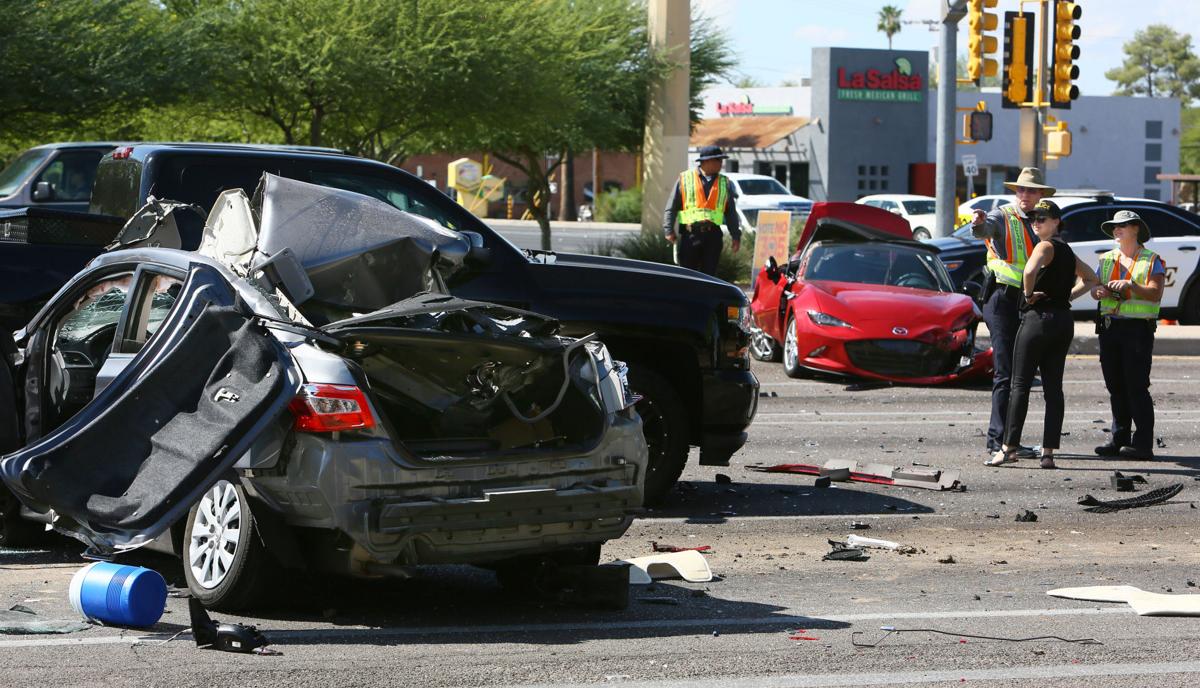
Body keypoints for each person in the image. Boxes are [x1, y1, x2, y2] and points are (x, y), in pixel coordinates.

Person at [988, 200, 1099, 469]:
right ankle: (1048, 453)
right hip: (1062, 320)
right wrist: (1065, 297)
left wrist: (1028, 295)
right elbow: (1091, 278)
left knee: (1019, 385)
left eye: (1043, 219)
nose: (1037, 223)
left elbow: (1029, 270)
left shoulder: (1044, 246)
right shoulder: (1068, 251)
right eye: (1035, 219)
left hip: (1038, 320)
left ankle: (1008, 448)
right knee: (1053, 388)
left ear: (1056, 222)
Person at [970, 167, 1054, 459]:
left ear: (1040, 194)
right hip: (1002, 299)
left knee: (1022, 374)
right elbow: (983, 228)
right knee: (1005, 372)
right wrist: (978, 223)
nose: (1025, 195)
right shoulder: (1001, 215)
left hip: (1029, 302)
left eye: (1031, 190)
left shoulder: (1041, 223)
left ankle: (1011, 440)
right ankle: (997, 441)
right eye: (1021, 190)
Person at [1090, 210, 1166, 460]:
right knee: (1116, 386)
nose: (1116, 230)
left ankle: (1143, 444)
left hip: (1137, 330)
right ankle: (1119, 438)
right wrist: (1098, 293)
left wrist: (1131, 286)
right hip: (1111, 327)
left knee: (1136, 387)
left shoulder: (1151, 259)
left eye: (1122, 226)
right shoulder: (1107, 259)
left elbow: (1155, 293)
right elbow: (1096, 289)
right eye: (1114, 227)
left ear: (1136, 229)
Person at [662, 145, 741, 276]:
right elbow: (671, 207)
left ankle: (707, 296)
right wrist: (668, 230)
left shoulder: (724, 182)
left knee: (709, 276)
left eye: (721, 160)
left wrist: (736, 236)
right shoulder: (685, 179)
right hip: (690, 235)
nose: (721, 164)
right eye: (718, 160)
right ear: (706, 161)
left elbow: (731, 212)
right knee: (688, 275)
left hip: (713, 235)